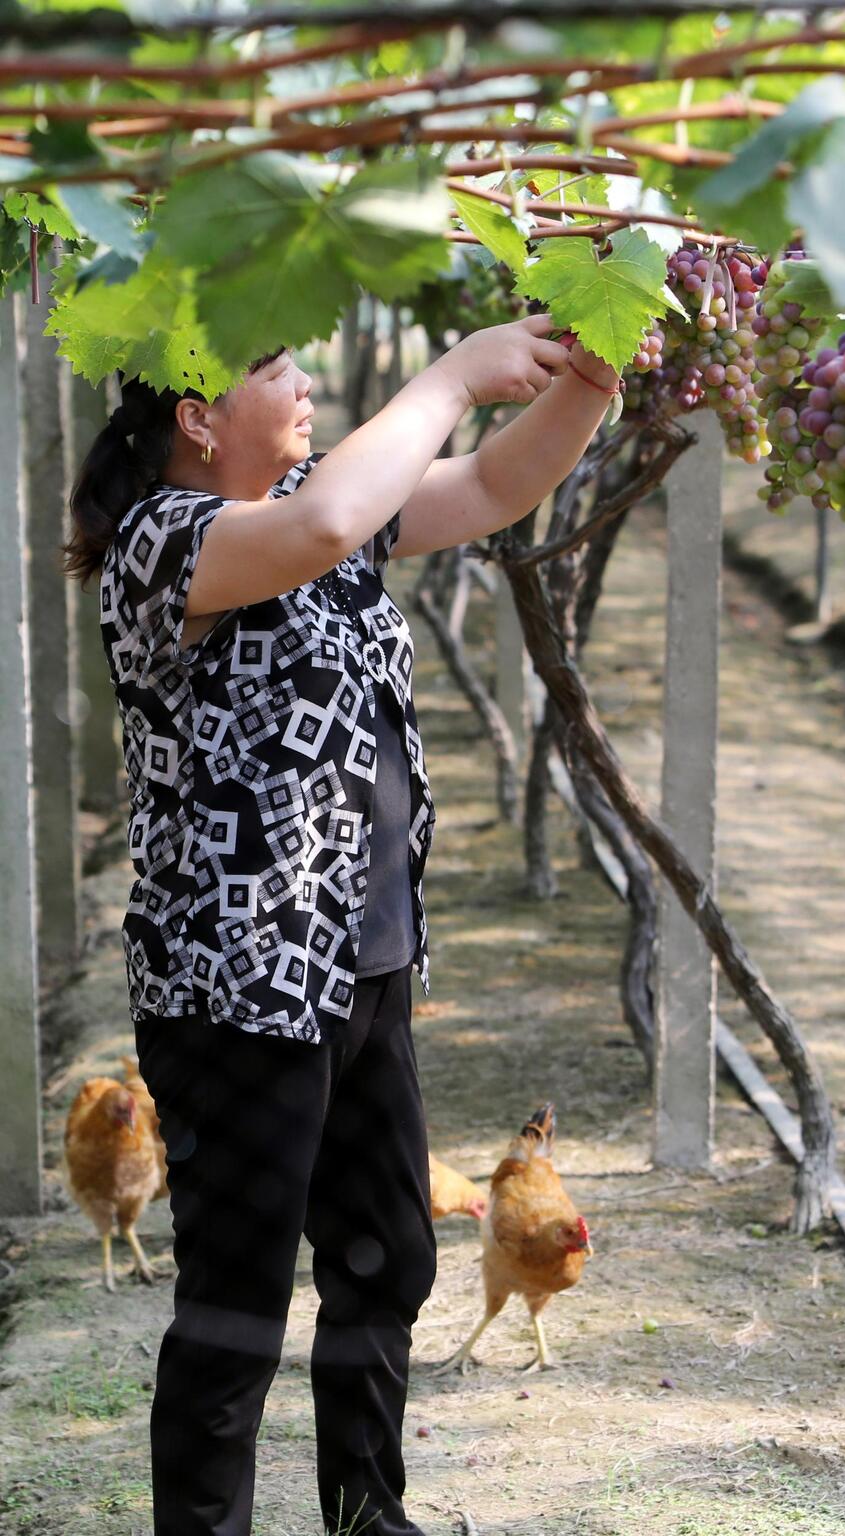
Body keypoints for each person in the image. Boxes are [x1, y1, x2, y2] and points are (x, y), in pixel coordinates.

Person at [64, 314, 623, 1536]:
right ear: (198, 418)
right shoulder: (163, 543)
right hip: (236, 984)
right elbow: (317, 533)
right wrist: (455, 371)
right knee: (237, 1299)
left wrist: (592, 374)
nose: (306, 385)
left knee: (386, 1250)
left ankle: (368, 1515)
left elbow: (487, 483)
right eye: (276, 371)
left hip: (356, 960)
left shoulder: (328, 491)